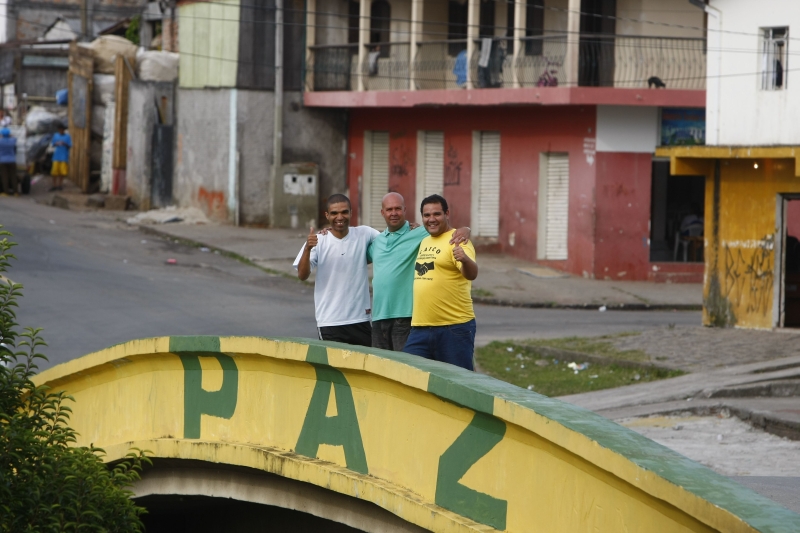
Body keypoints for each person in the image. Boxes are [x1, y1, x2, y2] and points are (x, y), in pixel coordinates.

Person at [368, 192, 469, 351]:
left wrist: (465, 229)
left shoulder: (419, 233)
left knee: (404, 369)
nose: (394, 213)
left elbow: (446, 228)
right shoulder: (378, 241)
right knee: (379, 369)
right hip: (379, 317)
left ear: (405, 210)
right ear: (382, 212)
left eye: (398, 209)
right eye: (389, 209)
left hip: (405, 317)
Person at [404, 194, 478, 370]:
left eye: (436, 214)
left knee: (459, 385)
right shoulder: (423, 241)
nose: (431, 219)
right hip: (420, 328)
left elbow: (471, 274)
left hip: (453, 328)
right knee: (408, 375)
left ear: (447, 214)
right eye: (426, 215)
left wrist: (466, 260)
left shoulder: (458, 239)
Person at [294, 194, 378, 347]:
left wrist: (409, 227)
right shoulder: (318, 240)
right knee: (334, 370)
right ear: (327, 215)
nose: (340, 217)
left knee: (362, 369)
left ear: (351, 213)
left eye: (344, 212)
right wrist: (307, 248)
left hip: (360, 319)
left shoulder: (365, 233)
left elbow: (389, 243)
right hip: (330, 321)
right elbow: (302, 275)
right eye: (334, 213)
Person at [50, 124, 71, 192]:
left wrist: (64, 143)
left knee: (62, 172)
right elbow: (53, 144)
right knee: (54, 172)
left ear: (63, 130)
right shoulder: (56, 136)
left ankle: (60, 185)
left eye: (62, 129)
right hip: (56, 156)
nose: (60, 131)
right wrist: (57, 143)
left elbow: (70, 145)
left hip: (64, 157)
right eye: (59, 129)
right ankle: (54, 185)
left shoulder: (67, 137)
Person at [0, 128, 17, 196]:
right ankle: (16, 192)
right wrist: (10, 135)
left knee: (5, 177)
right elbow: (14, 138)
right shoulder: (12, 141)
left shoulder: (1, 142)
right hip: (12, 160)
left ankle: (6, 192)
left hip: (2, 161)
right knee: (13, 176)